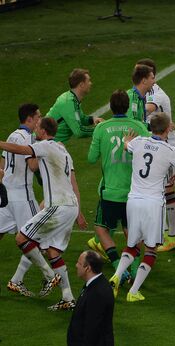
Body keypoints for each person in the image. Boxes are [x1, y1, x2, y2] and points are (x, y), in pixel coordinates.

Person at [0, 117, 88, 310]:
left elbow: (23, 151)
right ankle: (68, 298)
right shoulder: (63, 150)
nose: (35, 129)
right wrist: (79, 210)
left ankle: (49, 276)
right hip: (70, 206)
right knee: (53, 251)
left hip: (58, 206)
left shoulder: (45, 146)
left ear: (43, 131)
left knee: (21, 238)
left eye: (38, 127)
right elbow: (72, 181)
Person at [110, 113, 175, 301]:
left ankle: (116, 276)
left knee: (132, 245)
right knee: (151, 248)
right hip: (153, 203)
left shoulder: (138, 142)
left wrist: (126, 140)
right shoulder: (170, 150)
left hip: (133, 201)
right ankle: (133, 292)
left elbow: (126, 145)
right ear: (166, 130)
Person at [87, 90, 150, 281]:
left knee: (101, 228)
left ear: (111, 106)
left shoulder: (101, 128)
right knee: (132, 230)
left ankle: (117, 266)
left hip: (110, 192)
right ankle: (136, 269)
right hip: (134, 192)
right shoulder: (138, 127)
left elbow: (91, 159)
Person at [135, 58, 175, 252]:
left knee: (167, 192)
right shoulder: (144, 93)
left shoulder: (156, 95)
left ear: (150, 76)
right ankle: (161, 234)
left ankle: (172, 236)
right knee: (159, 192)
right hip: (154, 148)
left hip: (166, 149)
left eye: (139, 73)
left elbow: (144, 112)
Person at [1, 104, 41, 297]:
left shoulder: (12, 135)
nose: (40, 121)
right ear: (30, 119)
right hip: (23, 196)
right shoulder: (28, 138)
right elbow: (32, 166)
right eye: (38, 117)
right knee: (36, 236)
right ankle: (17, 280)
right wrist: (41, 150)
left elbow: (3, 163)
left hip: (6, 194)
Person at [67, 250, 114, 346]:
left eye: (79, 263)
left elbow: (92, 330)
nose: (76, 265)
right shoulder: (95, 284)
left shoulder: (98, 293)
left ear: (87, 268)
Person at [47, 68, 103, 143]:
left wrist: (92, 119)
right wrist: (100, 130)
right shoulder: (68, 102)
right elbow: (79, 132)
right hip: (44, 145)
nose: (91, 83)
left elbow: (80, 118)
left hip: (50, 145)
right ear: (81, 85)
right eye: (88, 81)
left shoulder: (72, 99)